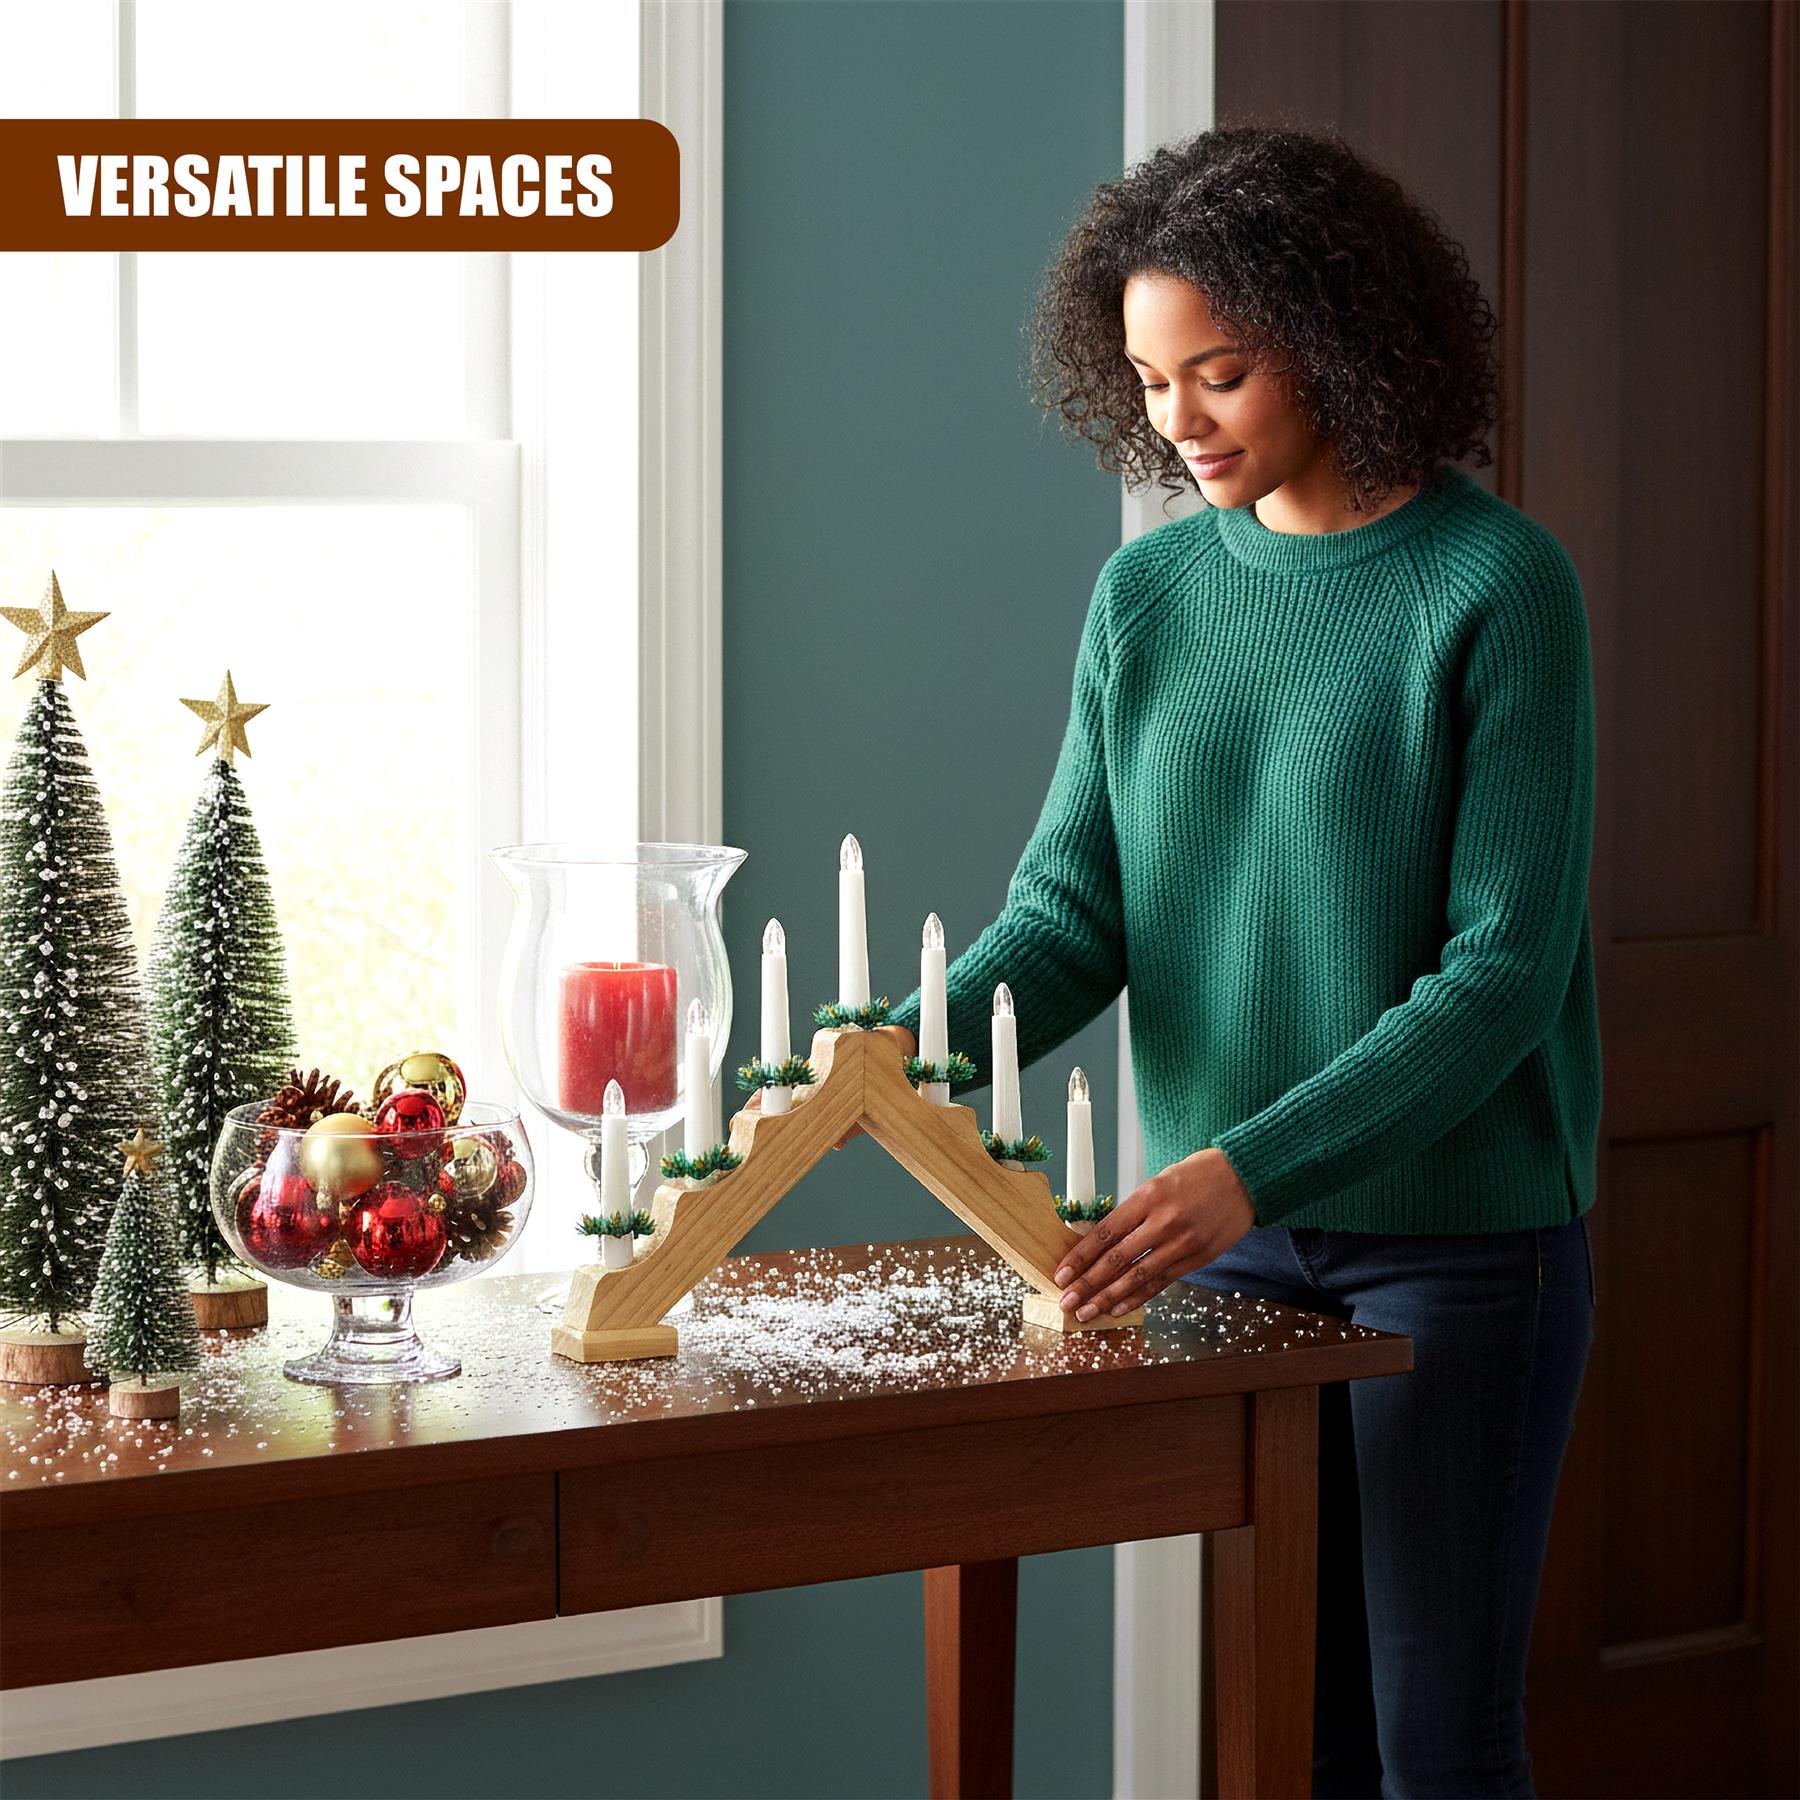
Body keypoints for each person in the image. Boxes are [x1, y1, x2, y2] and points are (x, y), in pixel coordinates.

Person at [870, 125, 1600, 1798]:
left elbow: (1500, 975)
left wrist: (1244, 1170)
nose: (1179, 422)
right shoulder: (1148, 597)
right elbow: (1071, 920)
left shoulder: (1500, 588)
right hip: (1222, 1248)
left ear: (1345, 345)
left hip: (1456, 1248)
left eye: (1221, 373)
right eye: (1148, 381)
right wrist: (888, 1065)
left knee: (1435, 1745)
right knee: (1290, 1730)